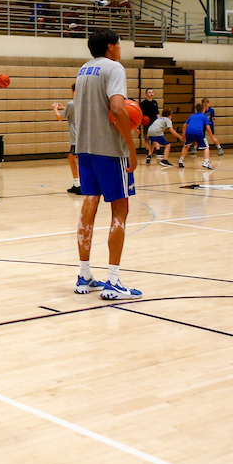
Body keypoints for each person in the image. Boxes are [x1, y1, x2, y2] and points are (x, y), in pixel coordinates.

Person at [73, 28, 141, 300]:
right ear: (111, 47)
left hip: (85, 148)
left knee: (88, 207)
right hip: (110, 150)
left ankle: (84, 275)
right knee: (120, 212)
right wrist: (132, 148)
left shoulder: (83, 70)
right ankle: (113, 281)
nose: (120, 49)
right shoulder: (114, 68)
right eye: (119, 44)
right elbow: (117, 108)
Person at [51, 83, 80, 194]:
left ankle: (79, 184)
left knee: (74, 159)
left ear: (73, 91)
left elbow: (60, 118)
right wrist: (64, 108)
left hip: (77, 138)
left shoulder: (71, 104)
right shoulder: (85, 103)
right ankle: (77, 183)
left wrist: (55, 109)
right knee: (74, 159)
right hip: (85, 137)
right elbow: (73, 112)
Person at [178, 102, 214, 170]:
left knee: (186, 146)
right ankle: (206, 162)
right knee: (206, 147)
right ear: (203, 109)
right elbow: (208, 128)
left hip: (189, 132)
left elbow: (184, 125)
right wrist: (211, 136)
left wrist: (183, 135)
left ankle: (181, 160)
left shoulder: (192, 115)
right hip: (198, 132)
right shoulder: (204, 117)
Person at [139, 88, 159, 160]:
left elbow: (157, 113)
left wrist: (159, 121)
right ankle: (148, 152)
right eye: (150, 92)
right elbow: (140, 114)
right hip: (146, 123)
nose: (151, 94)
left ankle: (158, 151)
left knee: (155, 137)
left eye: (152, 92)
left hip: (154, 122)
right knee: (147, 138)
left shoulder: (154, 102)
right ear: (146, 94)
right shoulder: (143, 103)